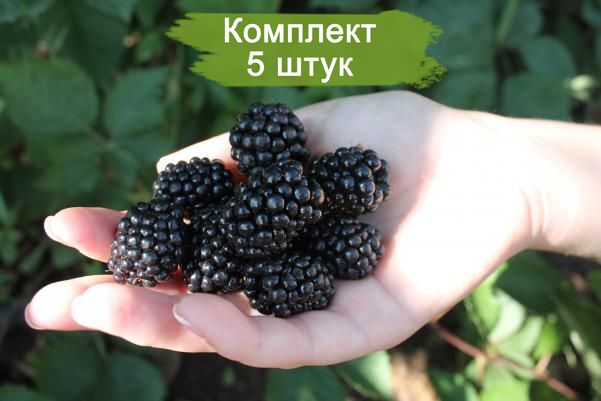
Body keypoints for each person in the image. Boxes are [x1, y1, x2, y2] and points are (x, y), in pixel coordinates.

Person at [24, 91, 601, 368]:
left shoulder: (285, 206)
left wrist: (512, 175)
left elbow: (275, 220)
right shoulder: (240, 217)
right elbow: (255, 221)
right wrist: (520, 178)